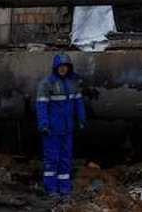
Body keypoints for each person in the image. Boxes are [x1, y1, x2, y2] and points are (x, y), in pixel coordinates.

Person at [35, 53, 86, 196]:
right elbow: (41, 105)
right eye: (61, 66)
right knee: (52, 159)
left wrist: (81, 119)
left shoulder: (72, 83)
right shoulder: (47, 83)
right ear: (55, 67)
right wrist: (43, 124)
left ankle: (64, 188)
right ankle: (50, 189)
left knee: (65, 158)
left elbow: (78, 103)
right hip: (52, 130)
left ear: (69, 68)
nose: (63, 69)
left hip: (67, 129)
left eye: (65, 66)